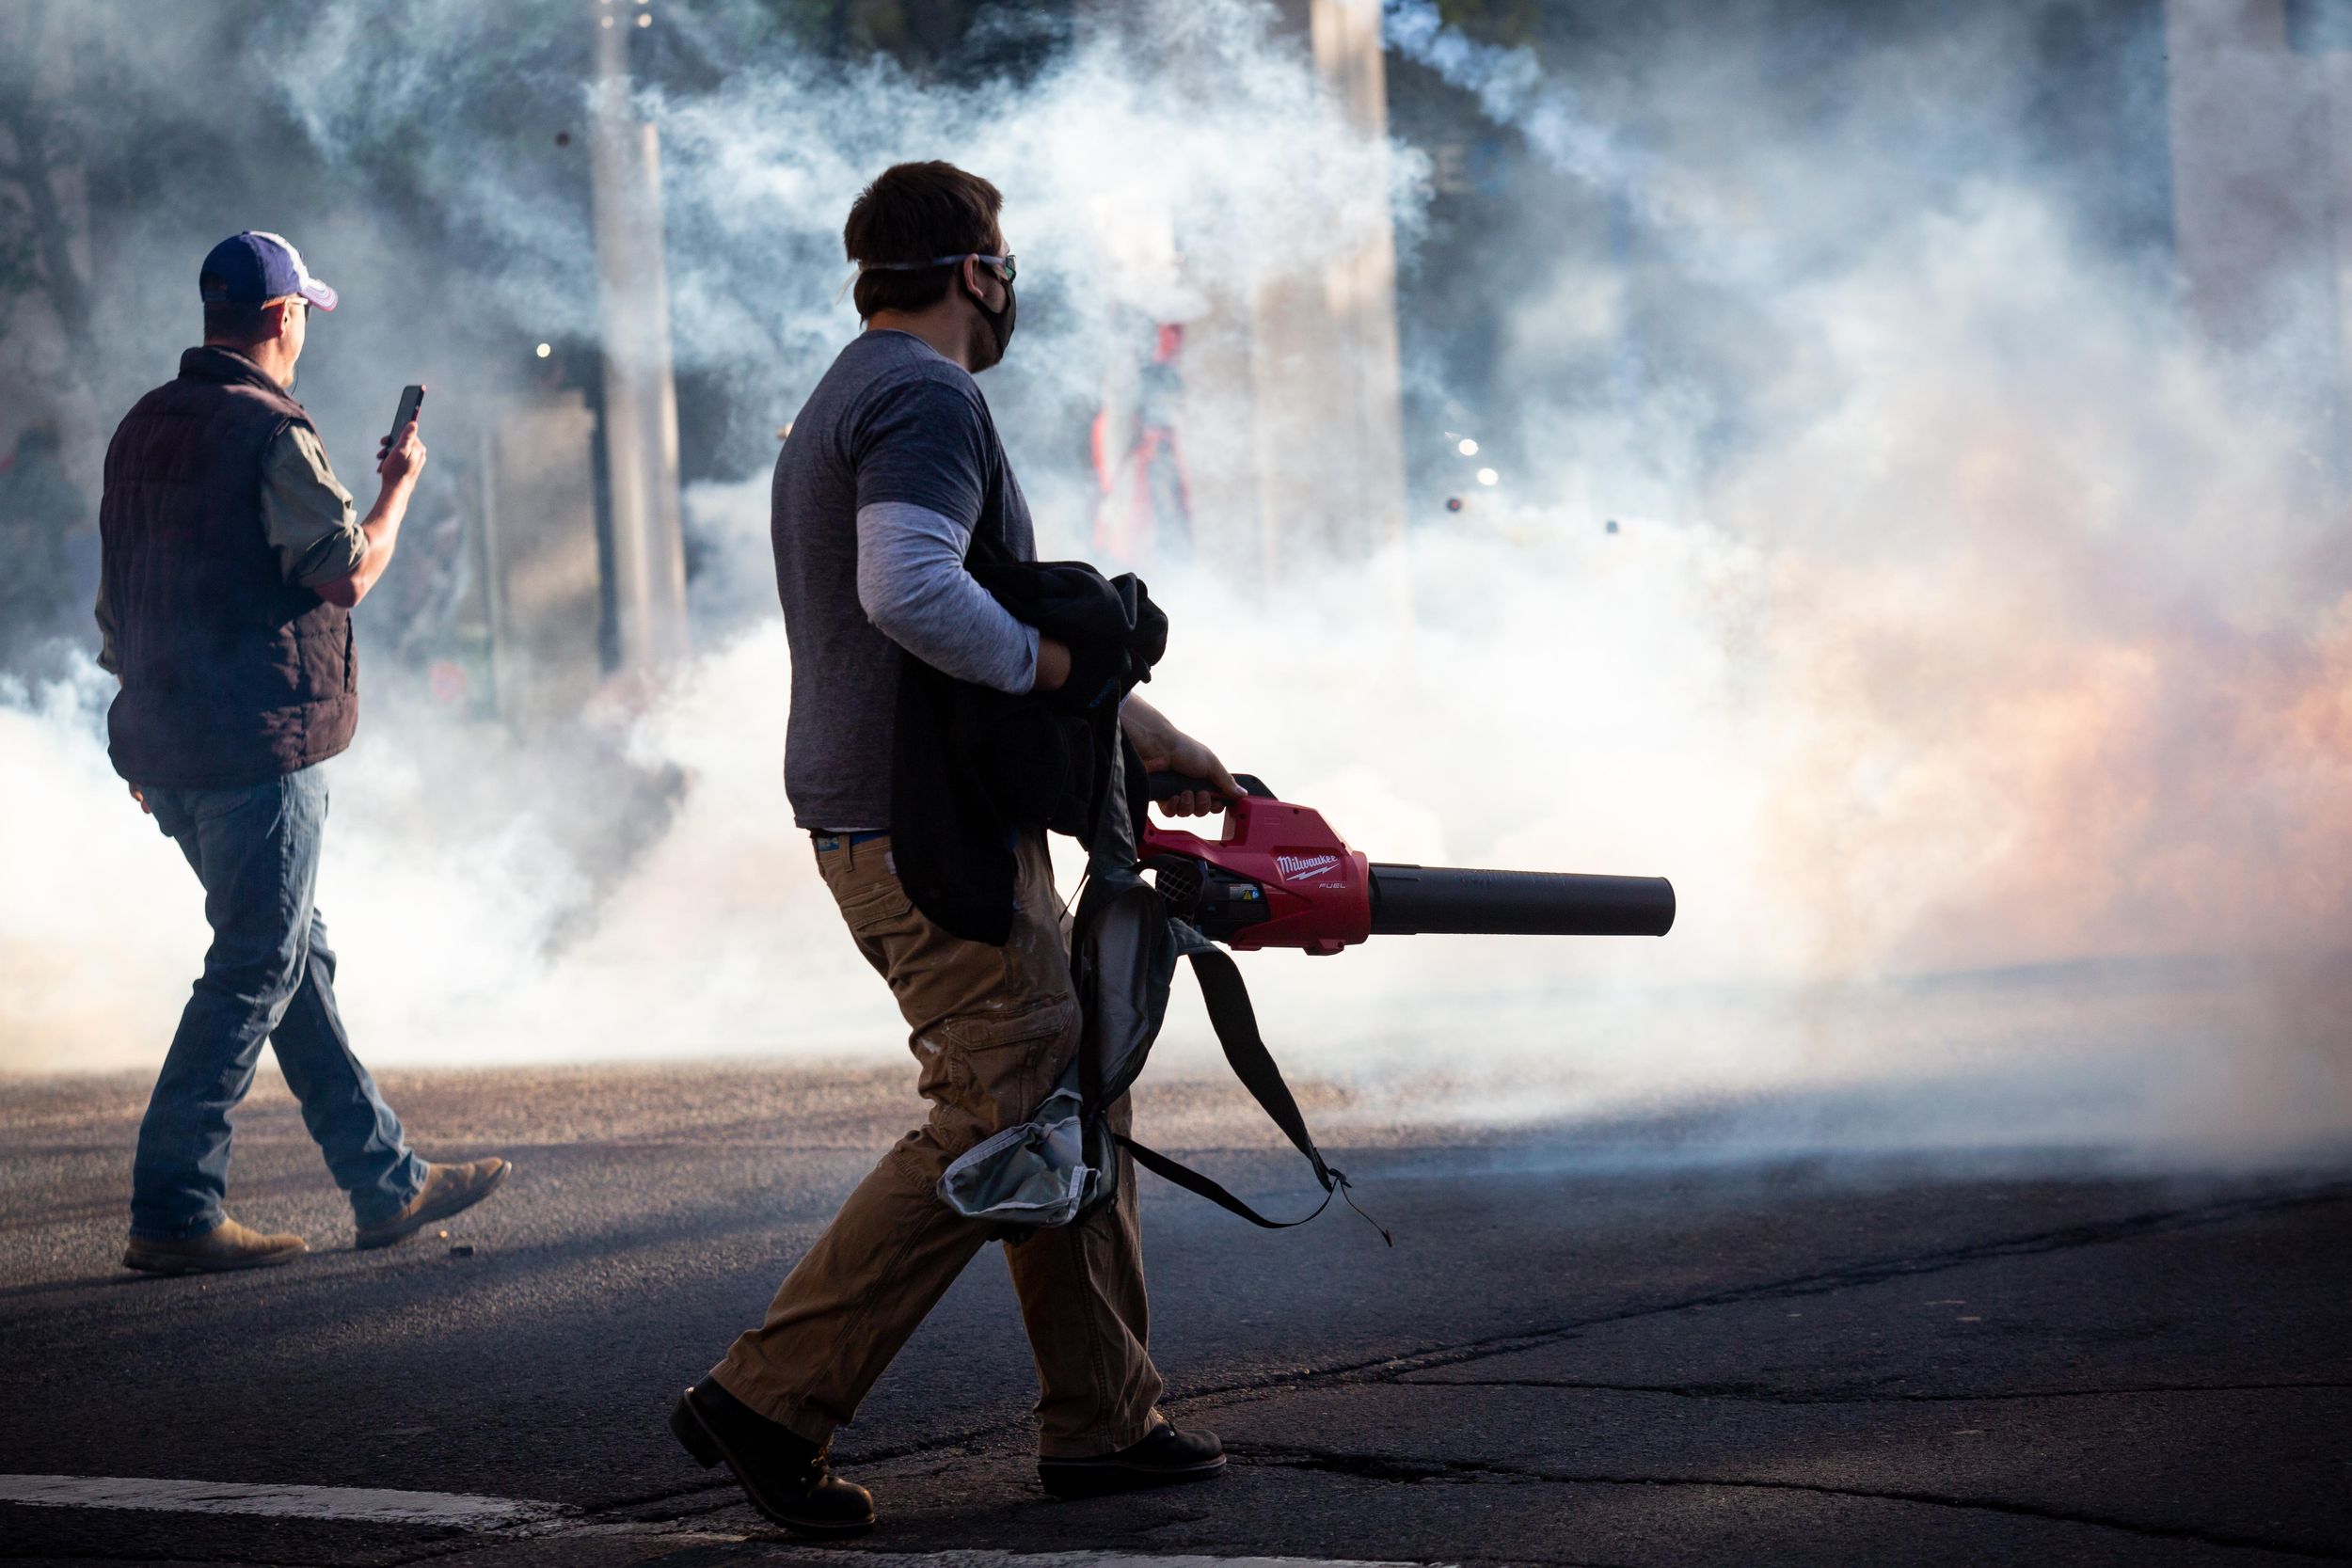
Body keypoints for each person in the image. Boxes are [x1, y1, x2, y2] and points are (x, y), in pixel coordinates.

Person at [669, 163, 1241, 1536]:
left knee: (1059, 1095)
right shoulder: (924, 393)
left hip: (920, 812)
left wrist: (1132, 721)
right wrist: (1058, 669)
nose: (1012, 283)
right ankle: (769, 1395)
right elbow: (912, 588)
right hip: (919, 829)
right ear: (980, 270)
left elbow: (947, 607)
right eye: (1008, 262)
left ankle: (1106, 1416)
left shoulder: (860, 386)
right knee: (1003, 1116)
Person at [95, 230, 509, 1275]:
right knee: (256, 965)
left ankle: (386, 1179)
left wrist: (147, 734)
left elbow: (118, 607)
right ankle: (175, 1203)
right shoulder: (271, 427)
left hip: (172, 743)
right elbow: (343, 573)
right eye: (305, 317)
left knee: (293, 959)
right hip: (256, 745)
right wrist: (399, 488)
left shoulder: (143, 426)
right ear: (284, 317)